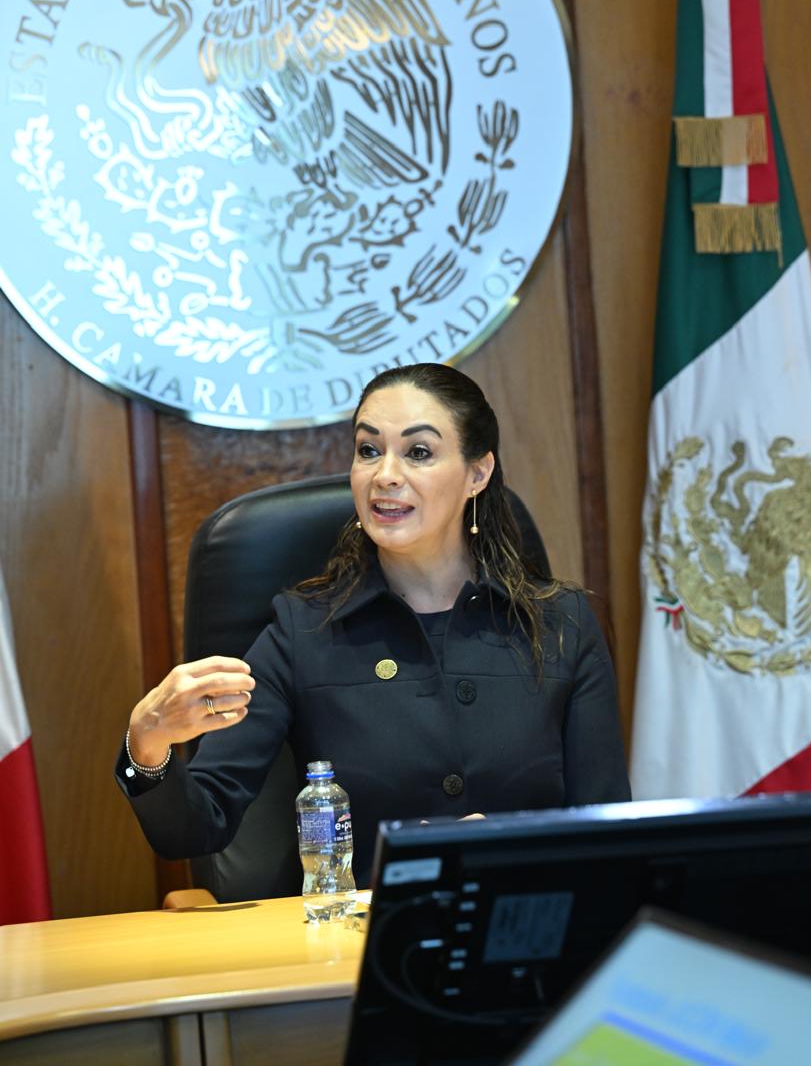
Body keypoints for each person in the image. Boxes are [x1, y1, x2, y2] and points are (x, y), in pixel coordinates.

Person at [116, 363, 630, 886]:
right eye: (368, 450)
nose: (385, 475)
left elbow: (609, 836)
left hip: (524, 920)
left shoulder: (563, 625)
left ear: (477, 474)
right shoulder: (304, 631)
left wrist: (506, 852)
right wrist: (147, 743)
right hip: (362, 927)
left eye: (419, 452)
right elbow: (197, 826)